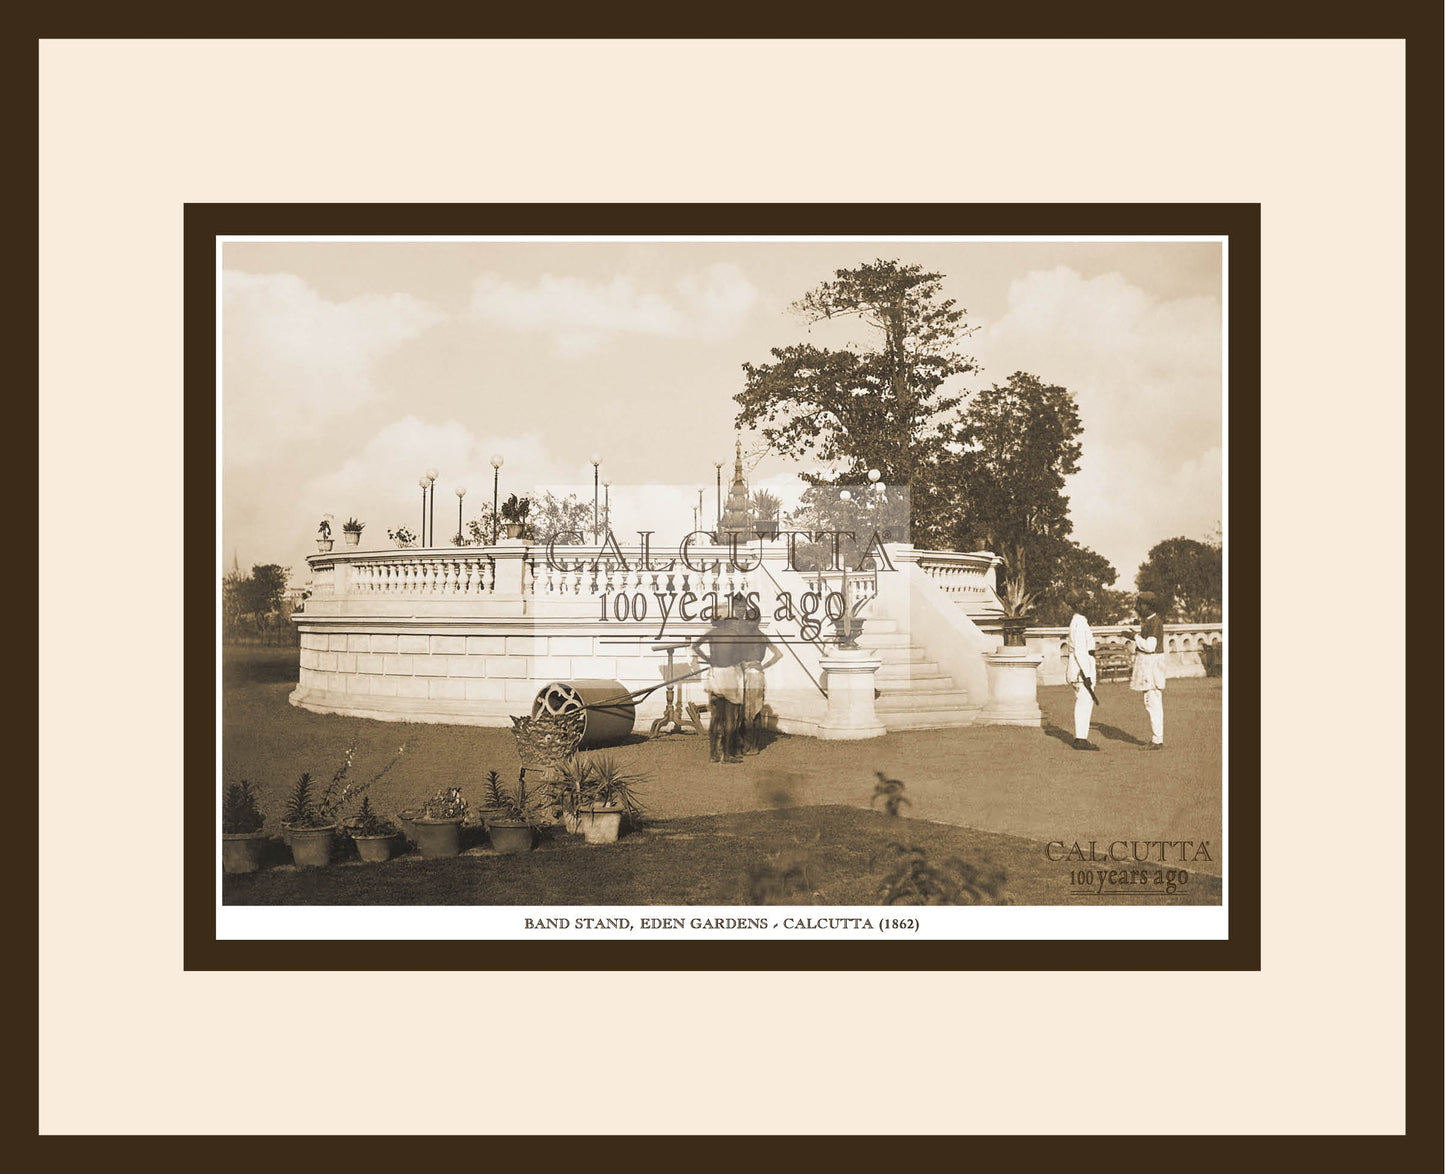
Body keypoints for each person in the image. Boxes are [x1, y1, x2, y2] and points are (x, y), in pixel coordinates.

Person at [691, 595, 780, 763]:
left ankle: (720, 752)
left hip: (723, 672)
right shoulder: (732, 630)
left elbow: (697, 646)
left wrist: (711, 659)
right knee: (731, 714)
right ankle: (728, 751)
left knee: (726, 714)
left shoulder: (721, 631)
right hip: (731, 673)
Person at [1126, 591, 1167, 749]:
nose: (1138, 607)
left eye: (1140, 604)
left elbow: (1150, 646)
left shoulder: (1154, 622)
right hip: (1151, 667)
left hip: (1152, 668)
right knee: (1152, 702)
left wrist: (1134, 637)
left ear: (1148, 606)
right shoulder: (1151, 621)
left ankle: (1157, 740)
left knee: (1153, 703)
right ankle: (1157, 739)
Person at [1063, 593, 1099, 751]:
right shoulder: (1079, 621)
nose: (1087, 605)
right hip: (1081, 668)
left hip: (1081, 665)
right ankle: (1081, 738)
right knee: (1084, 702)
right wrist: (1087, 674)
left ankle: (1081, 737)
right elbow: (1080, 650)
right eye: (1084, 602)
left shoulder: (1080, 621)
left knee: (1085, 702)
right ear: (1077, 605)